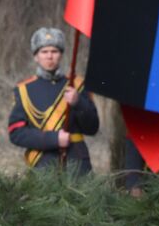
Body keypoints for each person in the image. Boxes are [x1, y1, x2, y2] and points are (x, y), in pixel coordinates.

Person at [8, 27, 99, 174]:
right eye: (44, 52)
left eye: (54, 51)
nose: (49, 56)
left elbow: (92, 128)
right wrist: (53, 139)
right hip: (43, 166)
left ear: (61, 55)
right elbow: (16, 133)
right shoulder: (24, 90)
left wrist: (78, 102)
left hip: (76, 167)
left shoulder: (77, 85)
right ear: (36, 56)